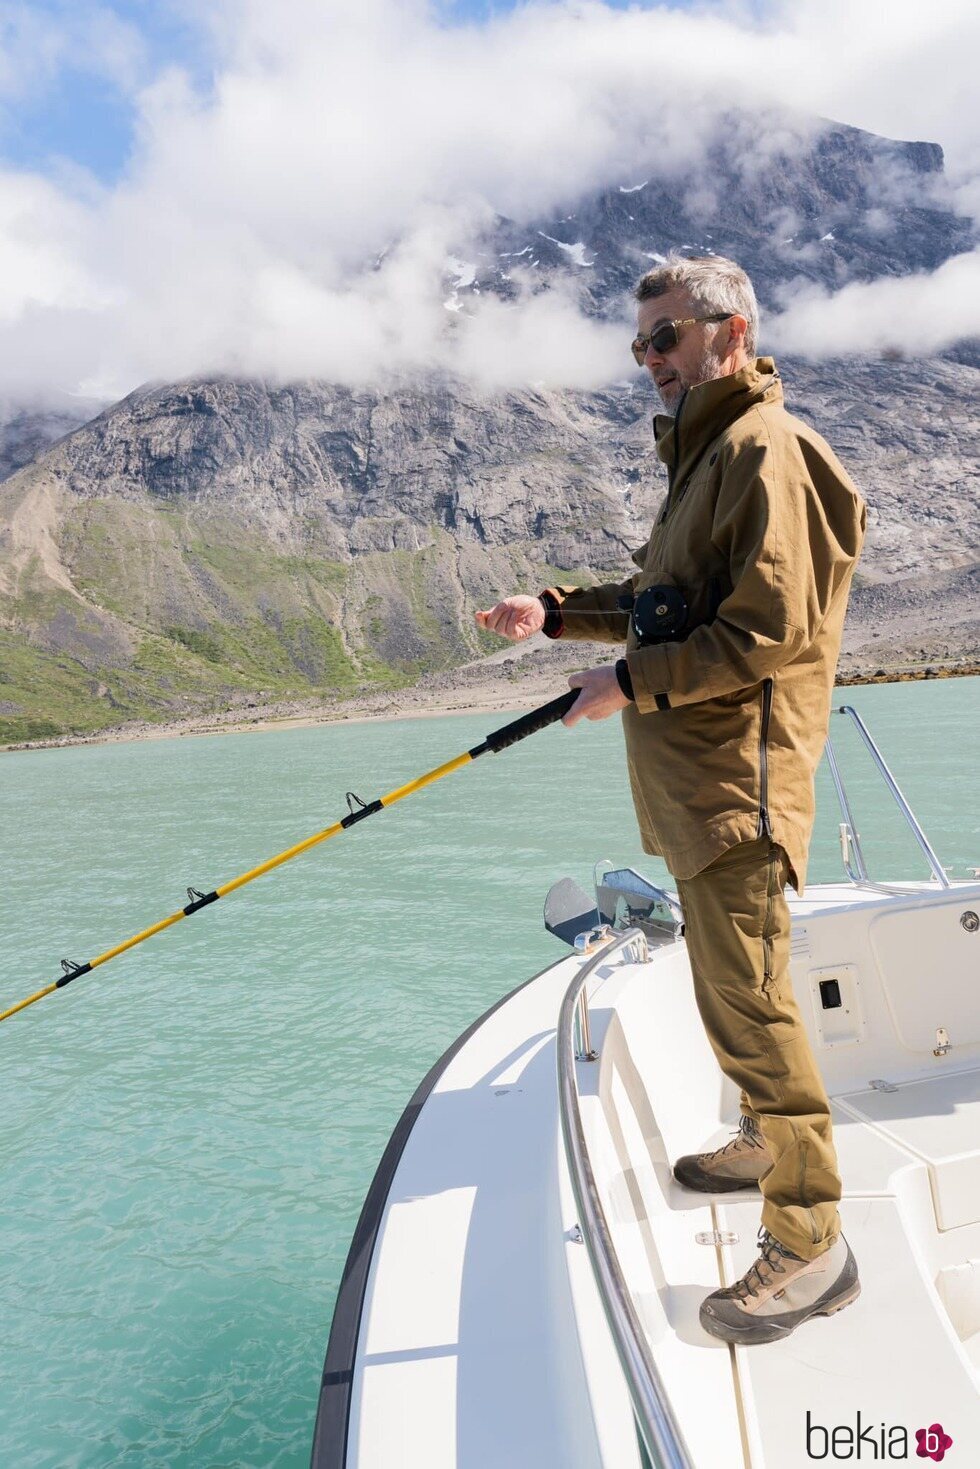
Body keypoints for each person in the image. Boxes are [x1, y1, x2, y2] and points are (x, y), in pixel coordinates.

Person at [476, 253, 867, 1346]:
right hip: (698, 785)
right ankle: (757, 1136)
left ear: (728, 335)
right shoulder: (708, 456)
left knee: (750, 1002)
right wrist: (553, 614)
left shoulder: (760, 451)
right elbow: (665, 603)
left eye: (664, 339)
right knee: (734, 988)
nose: (647, 361)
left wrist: (626, 684)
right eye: (639, 343)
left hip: (736, 783)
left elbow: (764, 633)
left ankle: (809, 1242)